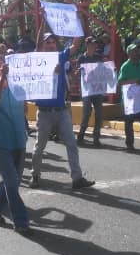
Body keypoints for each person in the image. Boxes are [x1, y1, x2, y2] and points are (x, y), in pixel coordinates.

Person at [29, 32, 94, 190]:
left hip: (62, 110)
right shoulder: (37, 60)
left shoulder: (60, 56)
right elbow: (37, 48)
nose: (50, 44)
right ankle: (35, 175)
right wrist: (42, 21)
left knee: (71, 144)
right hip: (44, 112)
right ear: (43, 46)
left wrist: (76, 24)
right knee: (40, 147)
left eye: (52, 42)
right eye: (47, 42)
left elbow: (76, 45)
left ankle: (77, 178)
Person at [0, 52, 33, 234]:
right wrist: (2, 79)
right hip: (0, 142)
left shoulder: (17, 86)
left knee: (12, 181)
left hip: (19, 139)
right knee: (11, 182)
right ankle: (21, 221)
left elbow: (24, 108)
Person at [76, 36, 106, 147]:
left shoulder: (98, 57)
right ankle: (81, 135)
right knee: (87, 113)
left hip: (97, 90)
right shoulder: (81, 58)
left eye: (95, 44)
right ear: (87, 45)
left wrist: (111, 71)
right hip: (87, 90)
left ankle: (96, 137)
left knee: (99, 113)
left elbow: (103, 71)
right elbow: (77, 74)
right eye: (92, 44)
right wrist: (79, 71)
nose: (94, 46)